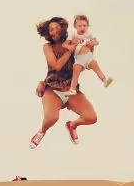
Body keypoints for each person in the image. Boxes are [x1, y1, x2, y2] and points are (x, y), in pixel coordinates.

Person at [30, 17, 99, 148]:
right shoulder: (48, 47)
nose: (54, 31)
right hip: (52, 89)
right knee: (51, 118)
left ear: (62, 30)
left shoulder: (72, 41)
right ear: (48, 33)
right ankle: (41, 132)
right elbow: (56, 65)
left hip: (70, 89)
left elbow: (84, 57)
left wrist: (90, 46)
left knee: (91, 117)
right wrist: (69, 50)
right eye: (51, 29)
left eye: (57, 28)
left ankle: (72, 125)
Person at [68, 13, 112, 95]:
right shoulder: (74, 36)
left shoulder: (88, 35)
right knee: (75, 73)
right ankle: (72, 89)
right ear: (75, 27)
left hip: (88, 57)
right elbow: (68, 44)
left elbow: (96, 41)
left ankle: (104, 80)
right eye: (80, 26)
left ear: (87, 26)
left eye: (84, 26)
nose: (82, 28)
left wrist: (93, 43)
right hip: (79, 59)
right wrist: (70, 46)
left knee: (96, 68)